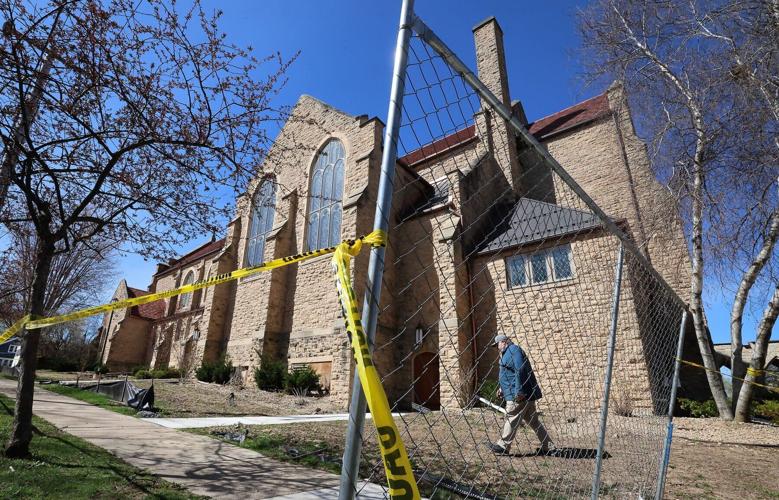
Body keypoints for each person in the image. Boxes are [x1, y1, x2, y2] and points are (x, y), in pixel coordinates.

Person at [488, 334, 554, 455]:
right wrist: (502, 388)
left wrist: (519, 391)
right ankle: (548, 447)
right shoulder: (508, 353)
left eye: (497, 345)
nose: (497, 348)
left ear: (504, 342)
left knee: (512, 416)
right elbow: (510, 374)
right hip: (522, 393)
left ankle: (503, 446)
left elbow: (520, 370)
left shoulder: (513, 350)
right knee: (534, 421)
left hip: (518, 395)